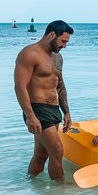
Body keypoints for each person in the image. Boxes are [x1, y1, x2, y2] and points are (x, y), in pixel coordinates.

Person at [13, 20, 74, 180]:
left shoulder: (57, 58)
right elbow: (20, 87)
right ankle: (60, 192)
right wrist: (30, 116)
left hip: (53, 110)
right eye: (63, 41)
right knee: (57, 150)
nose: (64, 46)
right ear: (52, 35)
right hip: (38, 110)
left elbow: (59, 84)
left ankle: (31, 184)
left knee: (41, 154)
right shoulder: (29, 54)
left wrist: (66, 112)